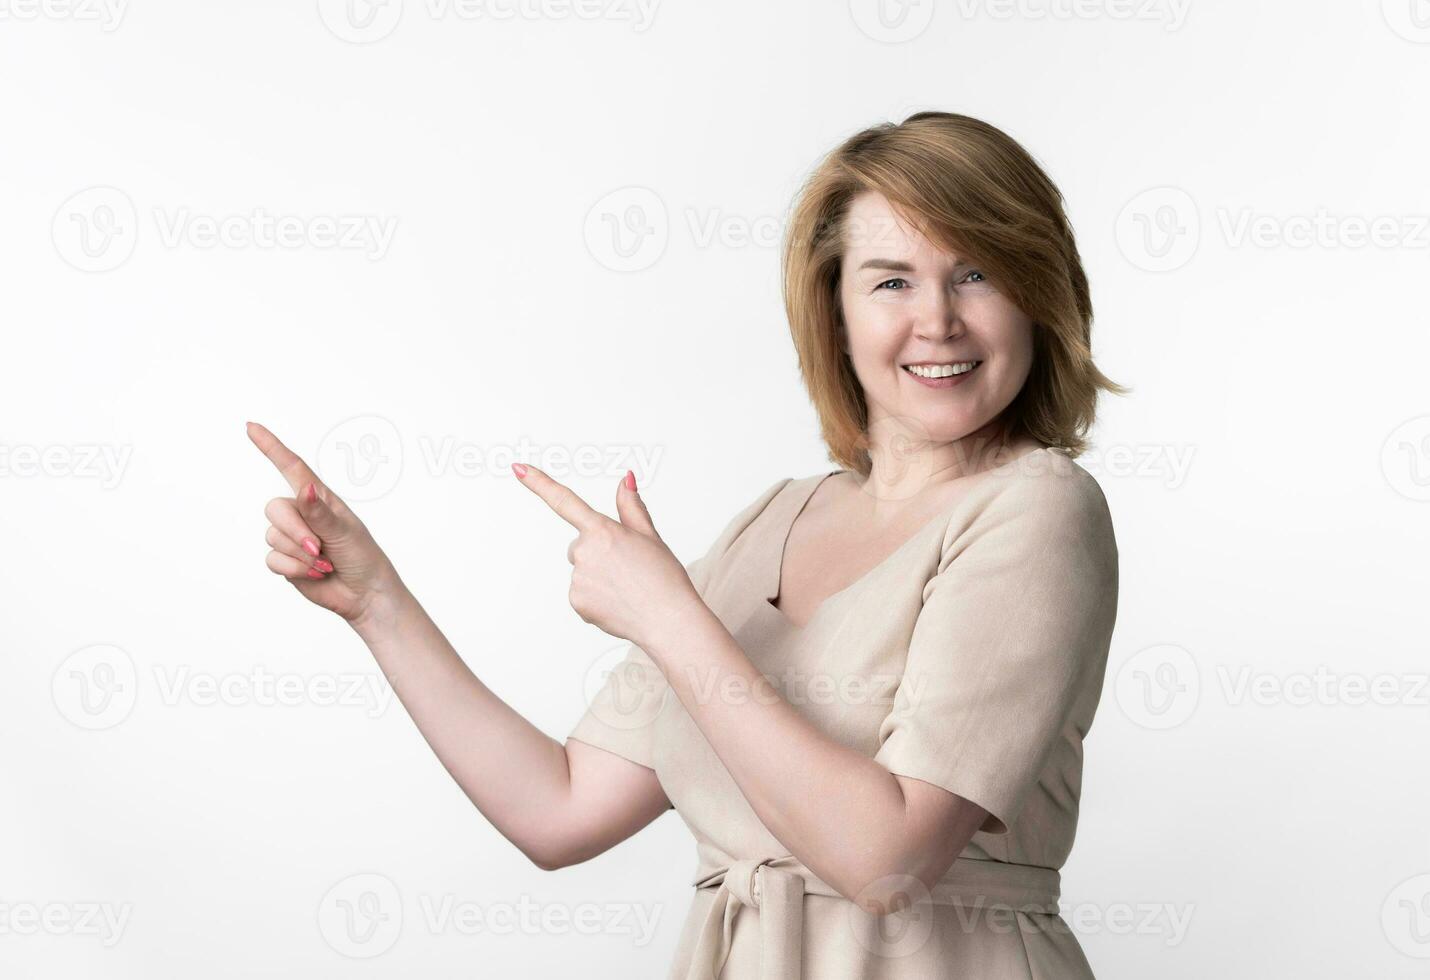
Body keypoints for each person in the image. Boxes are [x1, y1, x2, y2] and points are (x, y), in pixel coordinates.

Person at [248, 110, 1128, 978]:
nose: (937, 320)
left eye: (975, 274)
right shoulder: (773, 520)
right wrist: (376, 603)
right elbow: (559, 810)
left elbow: (885, 858)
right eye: (891, 281)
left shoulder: (1038, 511)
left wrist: (669, 619)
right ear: (836, 313)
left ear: (1037, 295)